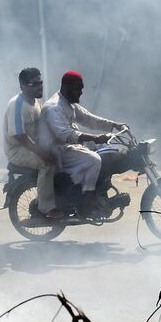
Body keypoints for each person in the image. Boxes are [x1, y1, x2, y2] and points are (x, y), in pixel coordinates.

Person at [38, 70, 125, 216]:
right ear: (66, 87)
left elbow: (88, 119)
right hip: (56, 151)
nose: (81, 92)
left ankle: (99, 190)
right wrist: (95, 138)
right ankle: (87, 201)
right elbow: (64, 134)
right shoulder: (53, 107)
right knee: (94, 160)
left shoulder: (68, 104)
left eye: (81, 88)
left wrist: (114, 125)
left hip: (66, 148)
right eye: (78, 88)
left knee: (105, 150)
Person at [3, 67, 64, 219]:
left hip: (33, 146)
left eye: (41, 82)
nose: (40, 86)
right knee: (46, 163)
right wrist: (42, 152)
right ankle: (46, 207)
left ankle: (64, 199)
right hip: (18, 150)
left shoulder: (36, 102)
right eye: (35, 84)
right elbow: (19, 135)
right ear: (23, 86)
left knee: (66, 156)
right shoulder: (16, 104)